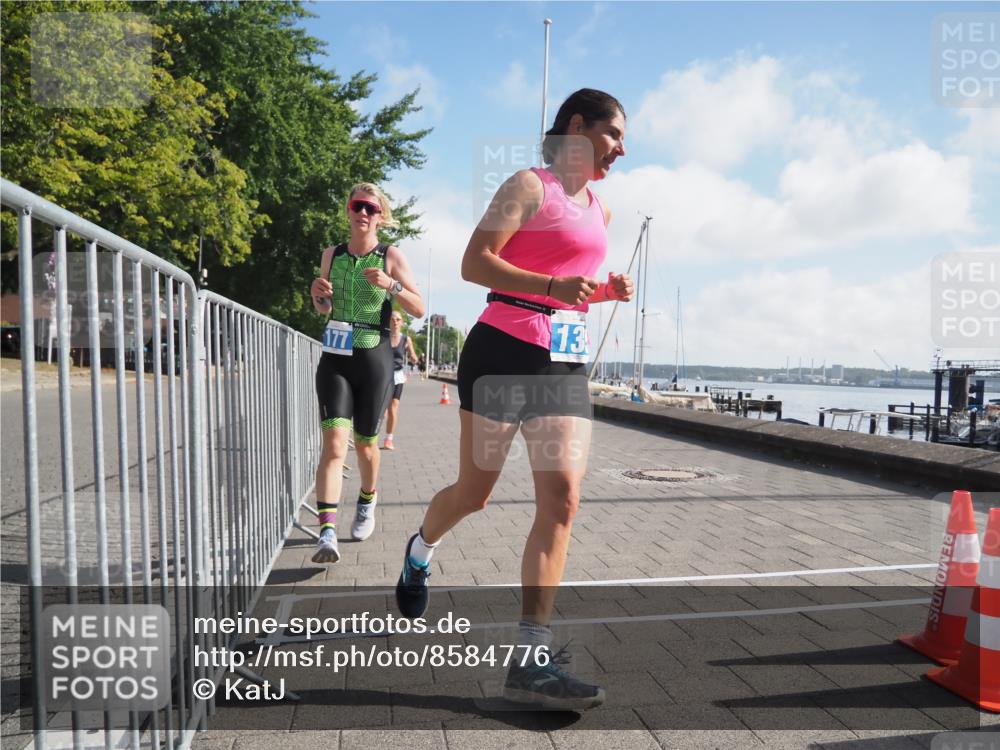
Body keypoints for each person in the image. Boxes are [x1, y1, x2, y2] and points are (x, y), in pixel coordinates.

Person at [394, 89, 633, 709]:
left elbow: (571, 291)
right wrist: (555, 283)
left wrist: (603, 291)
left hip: (563, 359)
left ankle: (531, 657)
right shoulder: (529, 184)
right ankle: (421, 549)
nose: (621, 149)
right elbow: (475, 263)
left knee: (563, 496)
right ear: (577, 128)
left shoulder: (600, 210)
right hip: (503, 348)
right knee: (476, 493)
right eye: (614, 135)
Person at [309, 183, 424, 563]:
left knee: (365, 445)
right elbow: (325, 308)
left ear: (380, 216)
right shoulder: (332, 254)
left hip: (374, 358)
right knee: (334, 446)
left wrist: (392, 285)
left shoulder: (390, 255)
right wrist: (317, 295)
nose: (363, 213)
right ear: (347, 209)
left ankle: (366, 499)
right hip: (335, 358)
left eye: (371, 209)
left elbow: (420, 307)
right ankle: (326, 532)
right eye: (358, 206)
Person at [382, 311, 419, 450]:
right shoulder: (383, 337)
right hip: (383, 376)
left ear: (402, 323)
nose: (395, 322)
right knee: (382, 409)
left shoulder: (406, 339)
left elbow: (413, 355)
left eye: (398, 320)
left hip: (397, 376)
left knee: (393, 408)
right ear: (389, 322)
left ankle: (389, 439)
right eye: (392, 319)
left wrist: (414, 358)